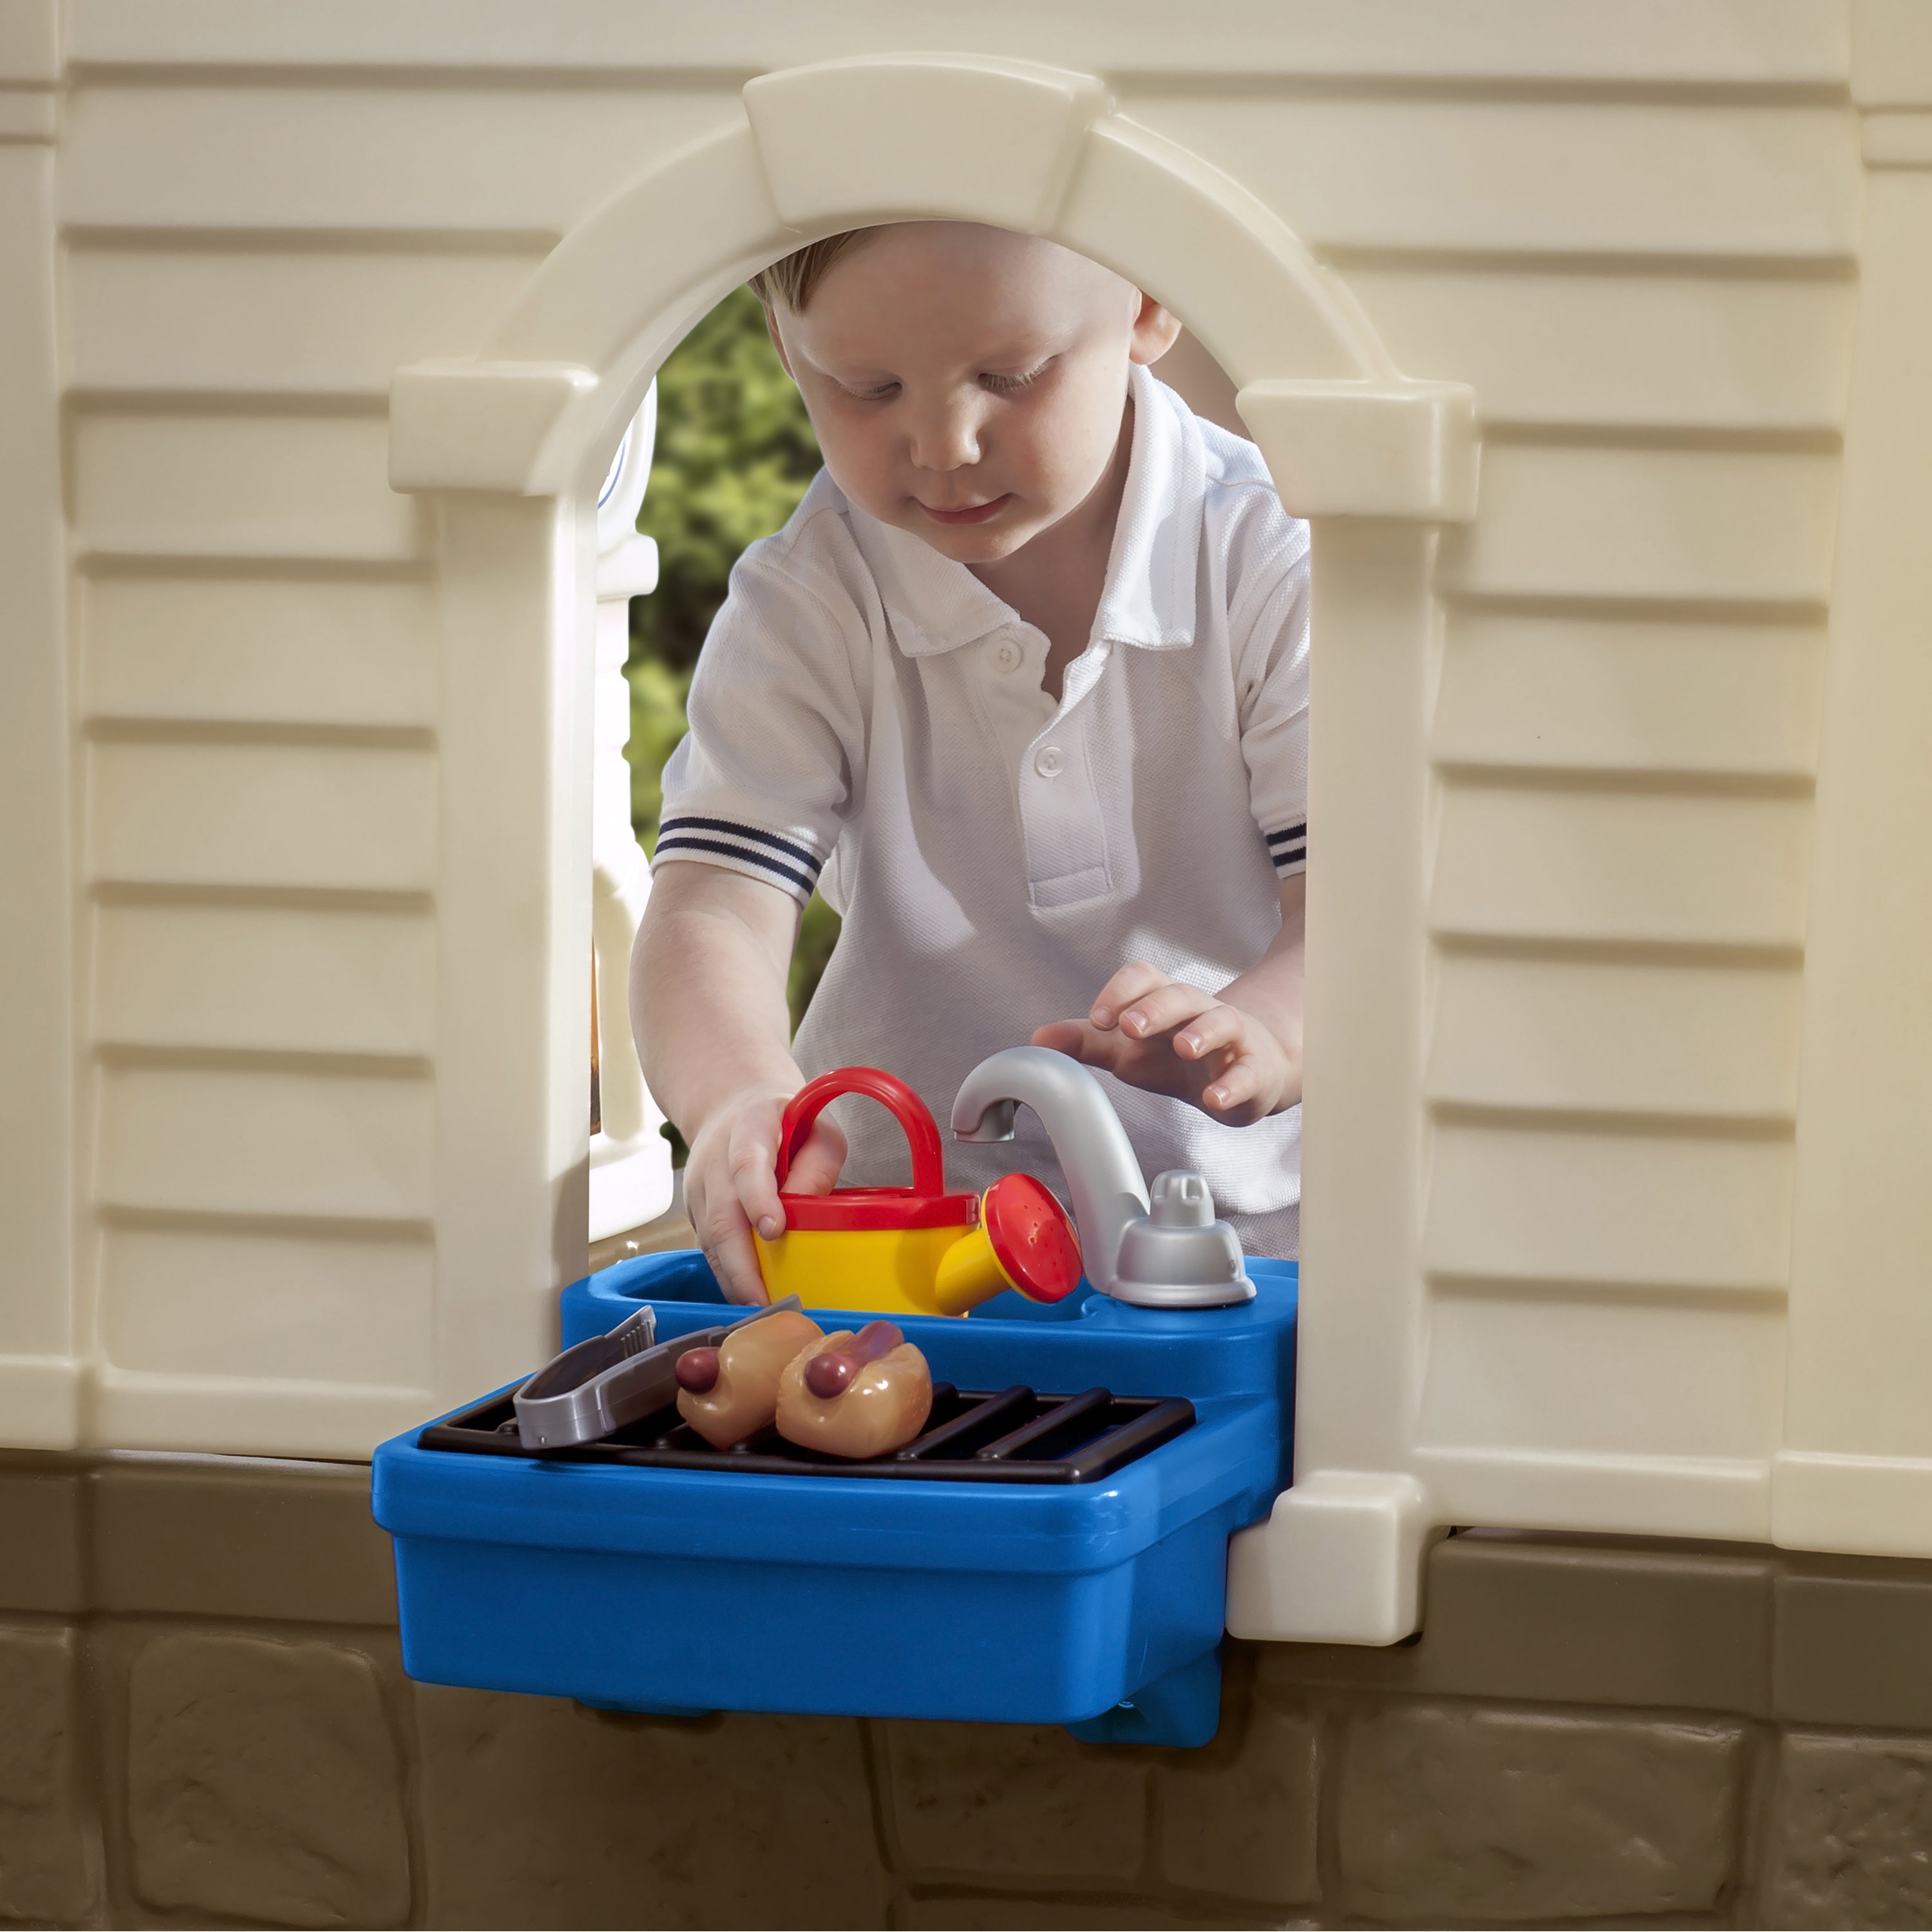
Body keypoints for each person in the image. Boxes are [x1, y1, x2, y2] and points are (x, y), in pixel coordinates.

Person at [632, 221, 1309, 1303]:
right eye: (865, 386)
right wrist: (735, 1101)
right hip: (902, 1234)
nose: (944, 442)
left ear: (1143, 304)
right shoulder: (812, 598)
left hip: (1243, 1251)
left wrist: (1270, 1030)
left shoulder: (1270, 560)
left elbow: (1361, 914)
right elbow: (713, 907)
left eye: (1009, 375)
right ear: (782, 338)